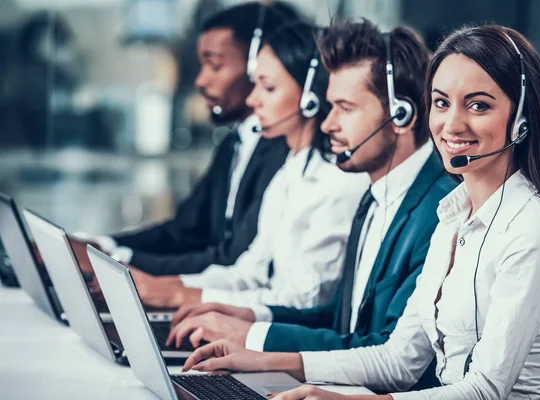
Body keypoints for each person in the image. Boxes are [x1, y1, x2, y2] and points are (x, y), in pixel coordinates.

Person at [180, 24, 540, 400]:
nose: (451, 124)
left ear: (520, 119)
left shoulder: (534, 231)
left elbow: (485, 389)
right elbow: (399, 359)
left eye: (478, 106)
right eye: (441, 103)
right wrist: (264, 359)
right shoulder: (454, 218)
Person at [166, 22, 454, 393]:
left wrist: (260, 346)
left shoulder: (439, 210)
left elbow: (387, 352)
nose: (328, 123)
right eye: (330, 105)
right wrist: (251, 321)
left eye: (345, 108)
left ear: (401, 116)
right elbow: (340, 320)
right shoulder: (375, 194)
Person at [71, 2, 300, 307]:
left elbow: (232, 258)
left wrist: (119, 262)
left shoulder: (285, 151)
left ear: (258, 68)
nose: (201, 81)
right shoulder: (235, 144)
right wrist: (104, 247)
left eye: (215, 65)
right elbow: (185, 232)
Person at [139, 20, 368, 311]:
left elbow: (304, 299)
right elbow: (249, 272)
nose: (252, 99)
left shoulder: (338, 181)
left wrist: (185, 296)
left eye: (268, 87)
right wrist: (171, 287)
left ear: (311, 96)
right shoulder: (289, 171)